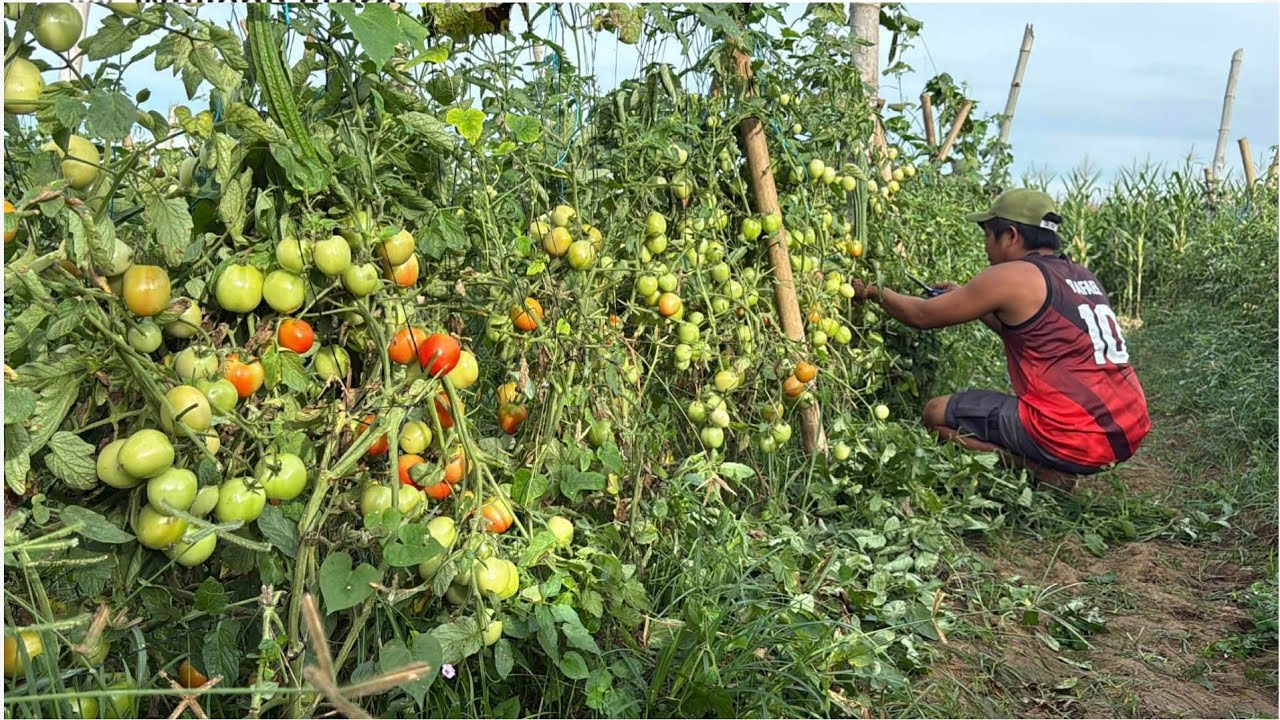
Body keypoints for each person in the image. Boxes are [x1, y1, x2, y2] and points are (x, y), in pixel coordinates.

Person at [852, 188, 1150, 488]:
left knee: (935, 415)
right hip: (1127, 429)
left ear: (1010, 235)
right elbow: (1032, 333)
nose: (986, 246)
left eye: (987, 236)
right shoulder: (1081, 275)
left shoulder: (1013, 275)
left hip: (1074, 434)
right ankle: (1054, 460)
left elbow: (922, 316)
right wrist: (969, 300)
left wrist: (874, 291)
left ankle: (1040, 470)